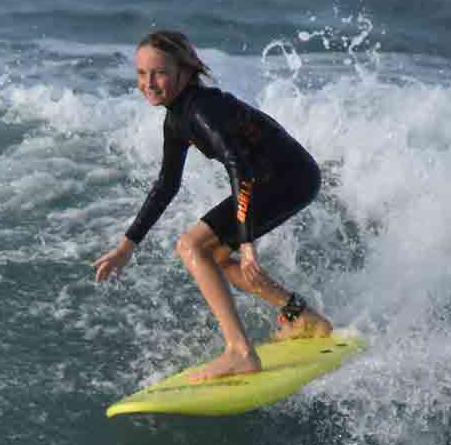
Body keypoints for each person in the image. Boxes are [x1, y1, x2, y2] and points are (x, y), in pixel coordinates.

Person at [92, 30, 335, 380]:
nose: (148, 83)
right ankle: (305, 316)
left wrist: (247, 242)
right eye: (141, 74)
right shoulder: (177, 117)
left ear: (185, 71)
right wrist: (126, 247)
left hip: (286, 179)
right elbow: (166, 185)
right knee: (216, 259)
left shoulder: (202, 109)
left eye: (158, 72)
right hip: (277, 177)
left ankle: (240, 352)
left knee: (190, 246)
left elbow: (240, 166)